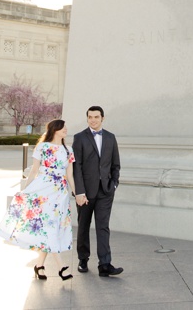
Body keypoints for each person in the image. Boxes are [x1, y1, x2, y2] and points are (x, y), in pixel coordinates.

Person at [0, 119, 77, 281]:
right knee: (50, 226)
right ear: (55, 130)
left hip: (60, 193)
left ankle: (39, 265)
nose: (66, 130)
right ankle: (61, 267)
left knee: (52, 227)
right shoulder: (42, 147)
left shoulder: (68, 149)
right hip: (42, 191)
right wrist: (25, 190)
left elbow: (69, 175)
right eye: (63, 127)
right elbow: (34, 171)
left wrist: (76, 193)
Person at [72, 105, 123, 277]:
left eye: (96, 117)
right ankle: (83, 259)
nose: (93, 120)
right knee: (83, 226)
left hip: (105, 191)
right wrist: (79, 192)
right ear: (87, 118)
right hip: (85, 192)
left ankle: (105, 264)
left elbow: (116, 164)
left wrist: (114, 184)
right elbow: (76, 167)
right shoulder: (79, 138)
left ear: (102, 118)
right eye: (90, 117)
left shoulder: (110, 137)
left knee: (103, 227)